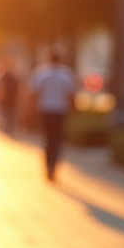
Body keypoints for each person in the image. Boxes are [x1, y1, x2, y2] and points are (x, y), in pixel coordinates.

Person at [29, 48, 76, 181]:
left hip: (45, 109)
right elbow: (70, 94)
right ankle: (53, 165)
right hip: (60, 110)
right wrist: (73, 110)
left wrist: (31, 110)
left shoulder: (41, 73)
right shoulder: (66, 74)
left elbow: (34, 93)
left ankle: (48, 165)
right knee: (57, 139)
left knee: (48, 139)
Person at [0, 59, 21, 134]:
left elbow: (2, 88)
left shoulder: (4, 76)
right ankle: (9, 130)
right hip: (12, 99)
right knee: (10, 115)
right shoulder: (14, 77)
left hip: (6, 100)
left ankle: (6, 131)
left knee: (6, 115)